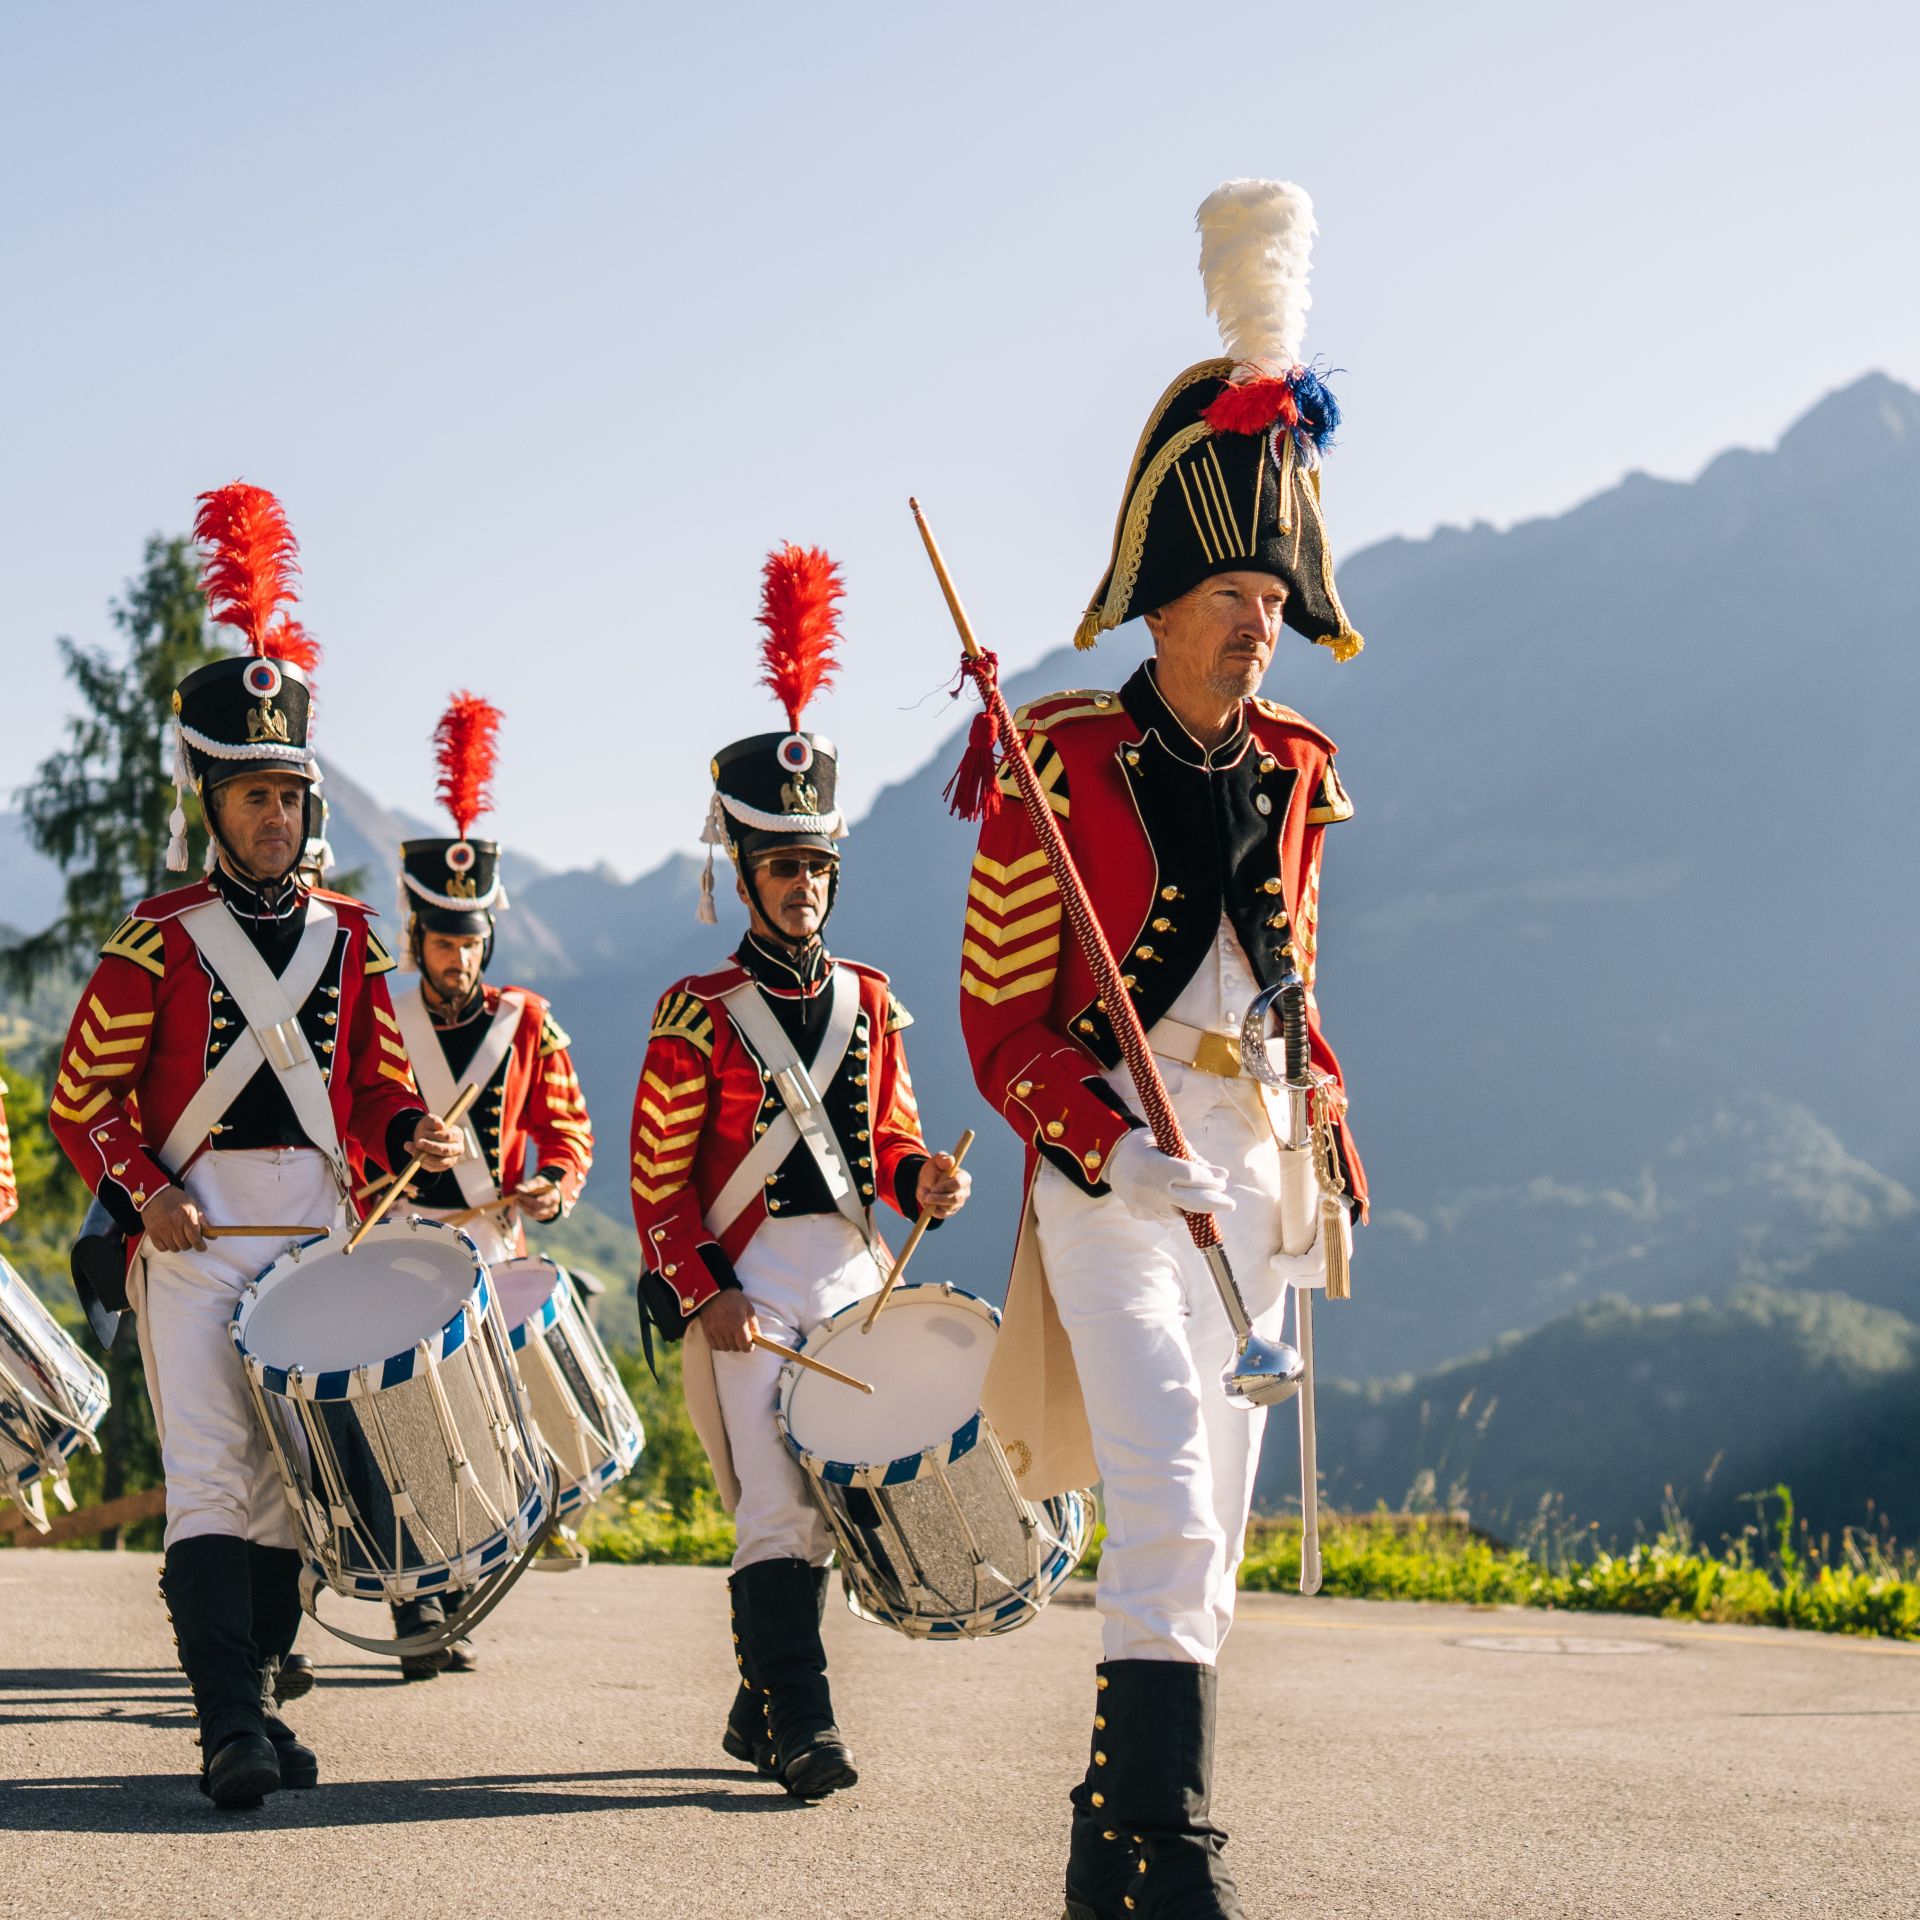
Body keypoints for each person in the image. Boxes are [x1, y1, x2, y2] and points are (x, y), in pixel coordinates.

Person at [957, 182, 1370, 1919]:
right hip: (1116, 1181)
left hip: (1255, 1189)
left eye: (1274, 589)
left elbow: (1295, 990)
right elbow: (995, 1019)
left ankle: (1107, 1844)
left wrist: (1330, 1130)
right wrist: (1102, 1144)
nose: (1259, 616)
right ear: (1162, 595)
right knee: (1175, 1507)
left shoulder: (1296, 767)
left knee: (1211, 1546)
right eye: (1230, 587)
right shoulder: (1053, 765)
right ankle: (1180, 1858)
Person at [47, 483, 462, 1809]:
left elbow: (379, 1091)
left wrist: (417, 1131)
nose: (274, 814)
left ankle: (262, 1707)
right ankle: (227, 1720)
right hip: (197, 1230)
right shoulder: (156, 936)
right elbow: (83, 1094)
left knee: (293, 1490)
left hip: (318, 1232)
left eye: (288, 791)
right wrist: (146, 1190)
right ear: (207, 801)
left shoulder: (353, 935)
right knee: (215, 1478)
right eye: (250, 794)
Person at [630, 544, 969, 1799]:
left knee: (836, 1507)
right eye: (784, 866)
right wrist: (703, 1287)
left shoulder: (874, 1001)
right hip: (749, 1284)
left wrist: (926, 1178)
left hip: (854, 1273)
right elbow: (659, 1183)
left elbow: (888, 1142)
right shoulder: (696, 1009)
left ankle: (757, 1704)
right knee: (774, 1512)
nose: (806, 886)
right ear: (745, 872)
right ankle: (805, 1728)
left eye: (819, 864)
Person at [374, 691, 594, 1674]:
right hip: (402, 1238)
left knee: (489, 1417)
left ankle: (476, 1572)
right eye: (442, 941)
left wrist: (553, 1181)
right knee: (419, 1420)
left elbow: (567, 1129)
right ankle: (422, 1609)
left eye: (471, 943)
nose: (458, 961)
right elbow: (352, 1107)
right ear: (415, 933)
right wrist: (392, 1142)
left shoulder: (527, 1021)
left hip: (496, 1240)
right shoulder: (379, 1011)